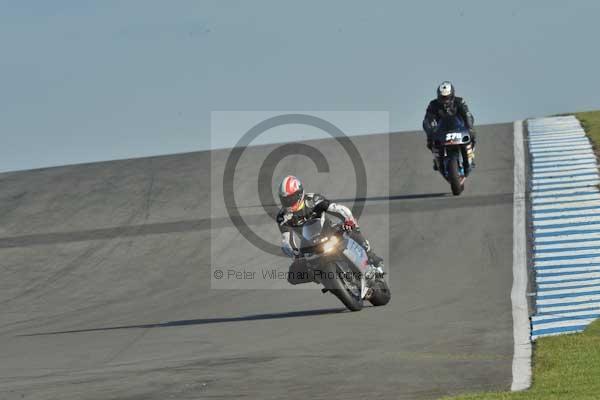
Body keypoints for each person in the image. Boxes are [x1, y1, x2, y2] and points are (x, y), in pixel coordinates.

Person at [276, 175, 384, 284]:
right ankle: (324, 279)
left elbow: (337, 209)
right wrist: (295, 254)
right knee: (293, 276)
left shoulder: (313, 200)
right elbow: (287, 239)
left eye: (291, 198)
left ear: (300, 194)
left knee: (352, 230)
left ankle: (372, 258)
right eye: (285, 200)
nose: (289, 202)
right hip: (309, 246)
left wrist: (349, 220)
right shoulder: (282, 217)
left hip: (331, 231)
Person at [423, 81, 476, 172]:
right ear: (438, 96)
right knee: (430, 143)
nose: (445, 100)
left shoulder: (459, 101)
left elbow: (467, 114)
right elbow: (427, 119)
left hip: (459, 128)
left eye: (447, 97)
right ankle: (437, 160)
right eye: (442, 97)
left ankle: (470, 156)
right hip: (442, 130)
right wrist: (430, 133)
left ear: (452, 95)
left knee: (473, 136)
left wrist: (469, 127)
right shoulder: (433, 105)